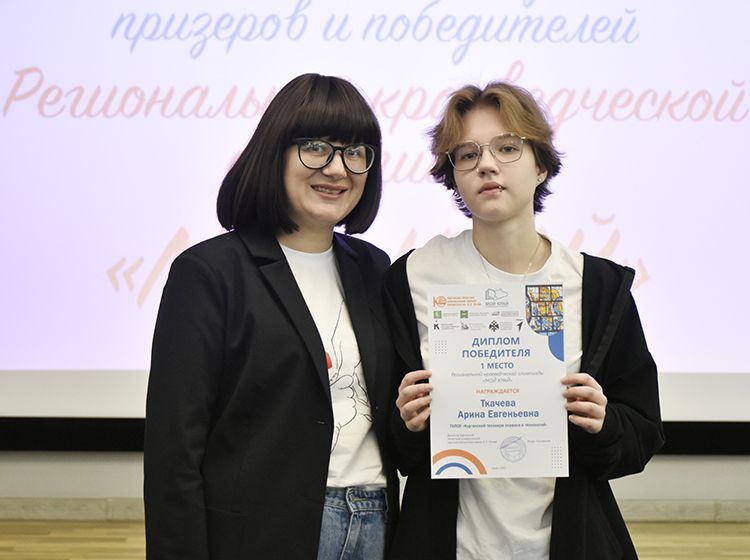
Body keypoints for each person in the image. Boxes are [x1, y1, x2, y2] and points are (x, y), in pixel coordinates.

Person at [384, 81, 664, 559]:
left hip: (571, 542)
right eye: (467, 154)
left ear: (541, 165)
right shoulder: (413, 277)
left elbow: (642, 433)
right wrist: (406, 422)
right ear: (453, 176)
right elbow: (393, 446)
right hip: (448, 544)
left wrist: (604, 422)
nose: (486, 164)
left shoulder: (594, 285)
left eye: (507, 148)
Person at [144, 73, 400, 560]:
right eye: (316, 148)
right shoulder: (210, 272)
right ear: (275, 152)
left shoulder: (374, 268)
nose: (337, 168)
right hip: (262, 533)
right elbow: (174, 449)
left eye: (355, 152)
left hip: (374, 520)